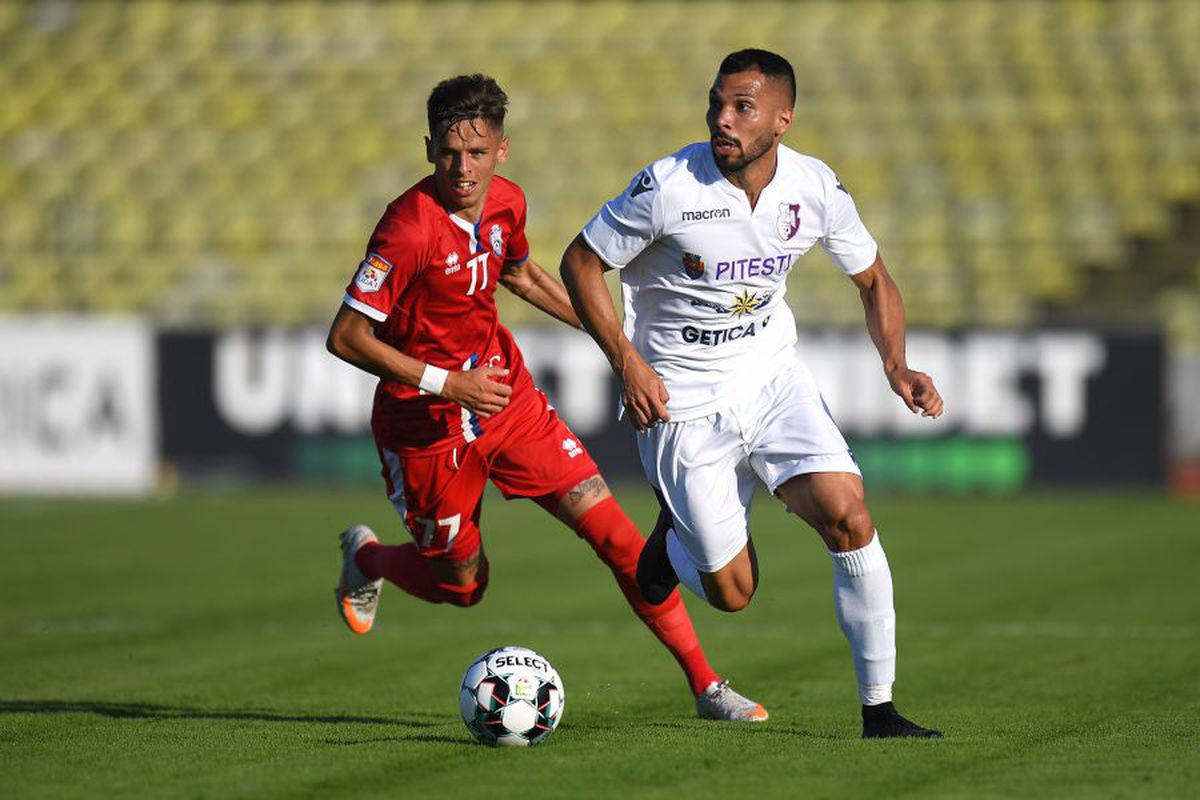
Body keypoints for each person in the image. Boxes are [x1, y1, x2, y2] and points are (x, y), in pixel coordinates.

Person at [325, 73, 765, 722]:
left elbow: (520, 273)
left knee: (617, 535)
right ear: (428, 149)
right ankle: (367, 559)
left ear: (502, 149)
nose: (463, 167)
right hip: (425, 426)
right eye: (449, 152)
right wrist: (450, 383)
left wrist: (619, 341)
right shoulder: (407, 230)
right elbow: (346, 336)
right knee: (464, 586)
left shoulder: (508, 203)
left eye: (477, 153)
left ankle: (707, 686)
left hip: (506, 399)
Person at [560, 49, 944, 739]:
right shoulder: (669, 185)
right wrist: (626, 361)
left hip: (772, 380)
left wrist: (897, 364)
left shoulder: (815, 186)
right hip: (681, 401)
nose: (722, 120)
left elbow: (874, 279)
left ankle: (880, 711)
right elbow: (581, 261)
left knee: (849, 516)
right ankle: (671, 548)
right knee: (734, 594)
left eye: (742, 107)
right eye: (716, 103)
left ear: (782, 120)